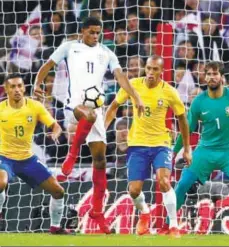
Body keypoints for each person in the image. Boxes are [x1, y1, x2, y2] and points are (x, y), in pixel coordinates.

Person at [33, 17, 144, 234]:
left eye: (98, 32)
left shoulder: (107, 53)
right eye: (92, 32)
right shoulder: (69, 47)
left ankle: (97, 212)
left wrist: (136, 96)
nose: (95, 36)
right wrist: (38, 83)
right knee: (90, 114)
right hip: (73, 107)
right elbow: (47, 65)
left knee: (101, 161)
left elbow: (121, 77)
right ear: (83, 30)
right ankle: (72, 155)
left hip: (96, 111)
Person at [160, 61, 229, 235]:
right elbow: (186, 130)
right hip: (205, 152)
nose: (212, 77)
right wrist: (173, 152)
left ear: (222, 77)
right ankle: (167, 225)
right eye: (208, 74)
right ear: (204, 77)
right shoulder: (198, 102)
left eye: (215, 73)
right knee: (182, 186)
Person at [105, 55, 191, 238]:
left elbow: (183, 119)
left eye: (155, 69)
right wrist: (102, 130)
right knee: (134, 190)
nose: (151, 73)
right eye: (149, 68)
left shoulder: (169, 91)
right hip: (137, 144)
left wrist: (187, 148)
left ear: (162, 71)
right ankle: (145, 212)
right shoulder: (133, 85)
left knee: (164, 181)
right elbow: (113, 107)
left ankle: (174, 226)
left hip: (161, 144)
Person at [0, 74, 70, 234]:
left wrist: (55, 133)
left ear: (24, 88)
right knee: (1, 183)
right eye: (13, 87)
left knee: (58, 191)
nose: (17, 90)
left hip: (28, 160)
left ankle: (55, 227)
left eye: (20, 86)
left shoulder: (35, 106)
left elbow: (55, 125)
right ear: (6, 89)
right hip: (4, 158)